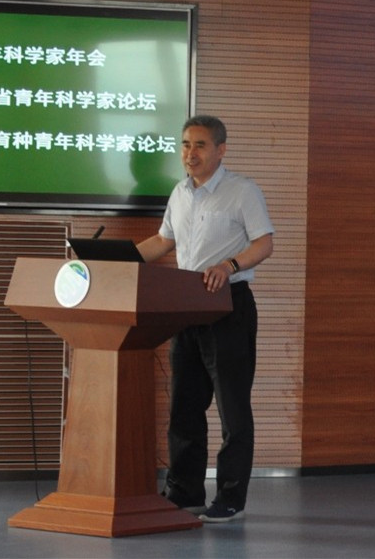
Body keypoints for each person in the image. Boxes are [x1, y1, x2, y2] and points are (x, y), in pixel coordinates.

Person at [137, 115, 274, 523]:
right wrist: (115, 260)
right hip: (187, 308)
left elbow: (264, 243)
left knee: (233, 409)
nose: (190, 153)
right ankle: (184, 492)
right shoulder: (180, 193)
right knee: (184, 406)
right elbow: (164, 241)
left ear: (220, 150)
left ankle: (230, 497)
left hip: (229, 306)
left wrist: (229, 265)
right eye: (185, 144)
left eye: (199, 145)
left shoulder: (242, 191)